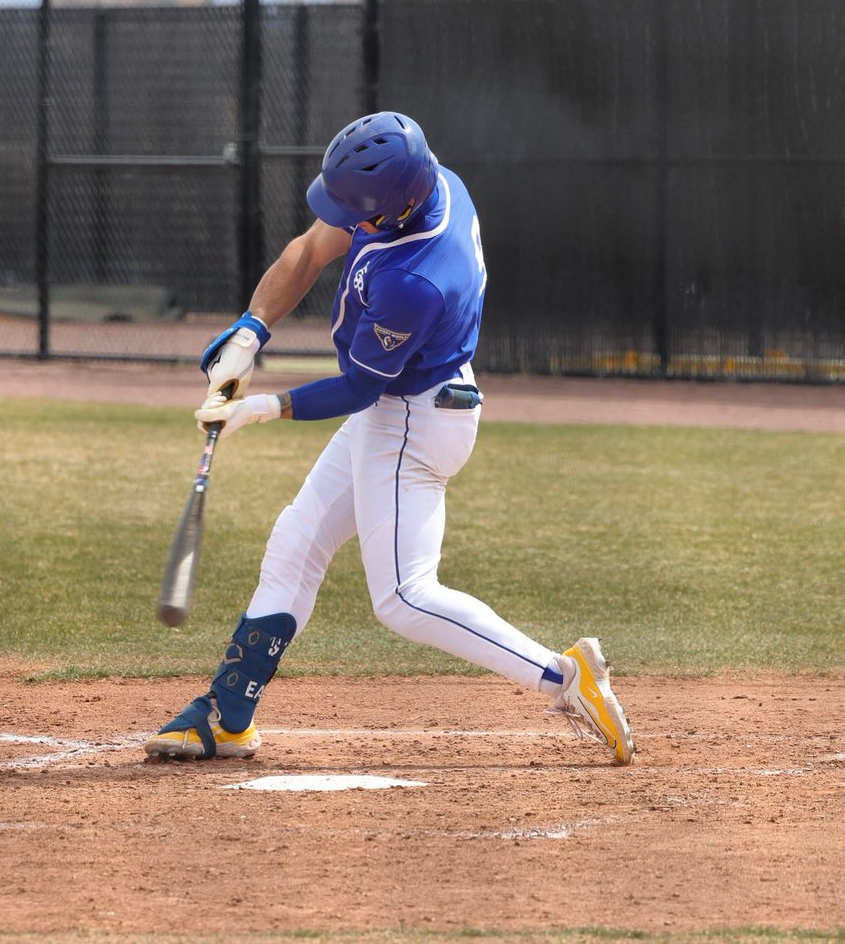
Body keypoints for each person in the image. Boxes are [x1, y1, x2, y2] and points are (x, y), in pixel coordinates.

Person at [143, 112, 635, 765]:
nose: (346, 220)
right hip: (408, 402)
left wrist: (257, 408)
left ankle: (564, 677)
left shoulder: (417, 279)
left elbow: (358, 389)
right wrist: (250, 332)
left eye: (358, 212)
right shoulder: (423, 183)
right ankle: (226, 717)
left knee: (404, 597)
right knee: (296, 543)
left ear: (396, 204)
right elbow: (310, 249)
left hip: (411, 417)